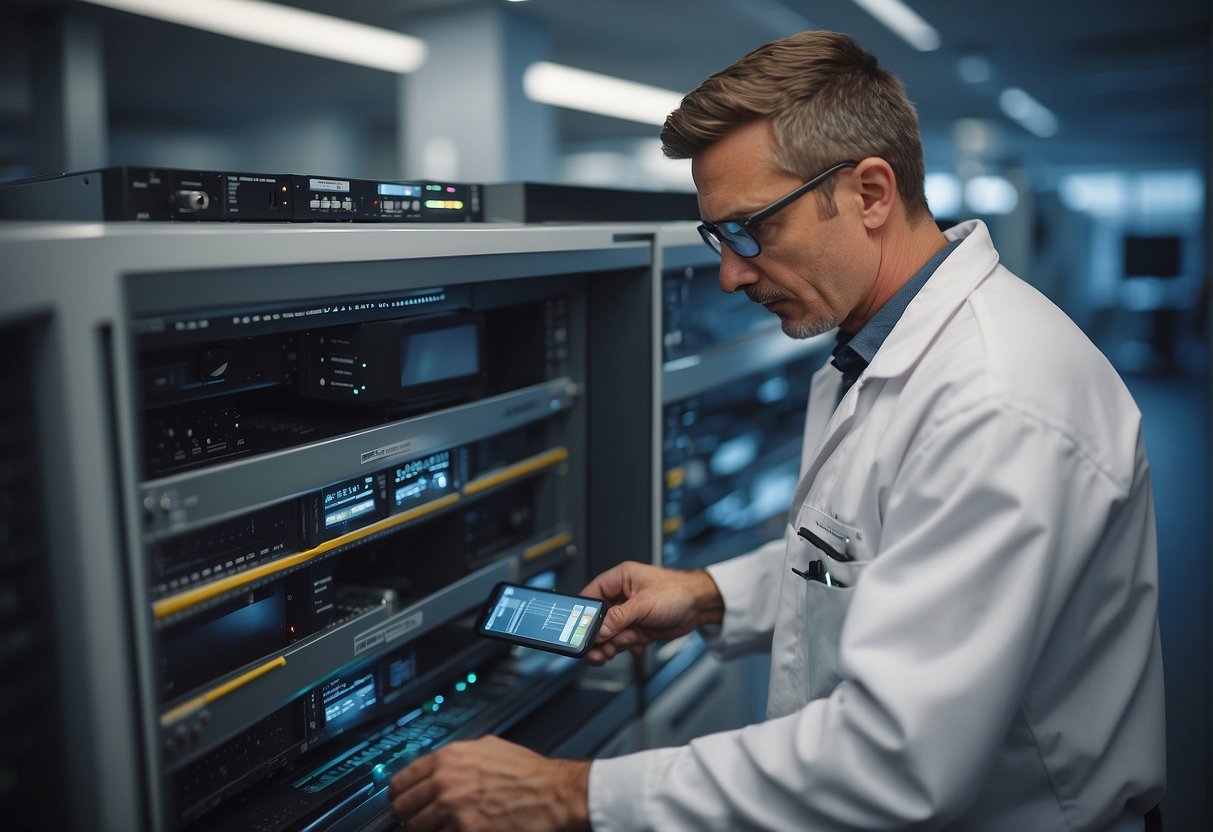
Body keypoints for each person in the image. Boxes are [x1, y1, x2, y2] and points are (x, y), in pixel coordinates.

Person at [388, 30, 1166, 831]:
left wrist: (568, 794)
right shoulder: (880, 351)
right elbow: (873, 562)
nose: (730, 273)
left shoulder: (995, 403)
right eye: (717, 239)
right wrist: (708, 596)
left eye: (750, 230)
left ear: (869, 193)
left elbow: (893, 759)